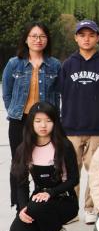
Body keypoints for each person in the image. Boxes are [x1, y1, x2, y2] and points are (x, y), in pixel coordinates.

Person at [59, 19, 99, 224]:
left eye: (91, 35)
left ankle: (91, 207)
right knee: (71, 171)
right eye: (82, 35)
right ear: (76, 38)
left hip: (98, 127)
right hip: (71, 127)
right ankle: (70, 209)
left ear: (97, 38)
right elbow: (61, 93)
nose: (87, 39)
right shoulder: (68, 64)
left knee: (95, 171)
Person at [6, 102, 78, 231]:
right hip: (39, 200)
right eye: (38, 121)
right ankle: (44, 229)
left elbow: (74, 179)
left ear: (55, 123)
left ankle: (58, 230)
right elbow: (21, 183)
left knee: (36, 207)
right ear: (31, 123)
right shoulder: (24, 149)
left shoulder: (64, 145)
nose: (43, 126)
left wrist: (51, 193)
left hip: (64, 199)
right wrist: (23, 208)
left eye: (48, 121)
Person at [4, 23, 62, 172]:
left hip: (45, 122)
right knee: (19, 164)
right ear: (26, 39)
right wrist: (14, 111)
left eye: (42, 36)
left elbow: (57, 94)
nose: (38, 40)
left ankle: (42, 188)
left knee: (45, 164)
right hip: (20, 120)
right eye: (34, 36)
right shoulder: (14, 63)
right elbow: (7, 93)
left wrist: (55, 118)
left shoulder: (55, 65)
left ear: (47, 39)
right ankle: (19, 189)